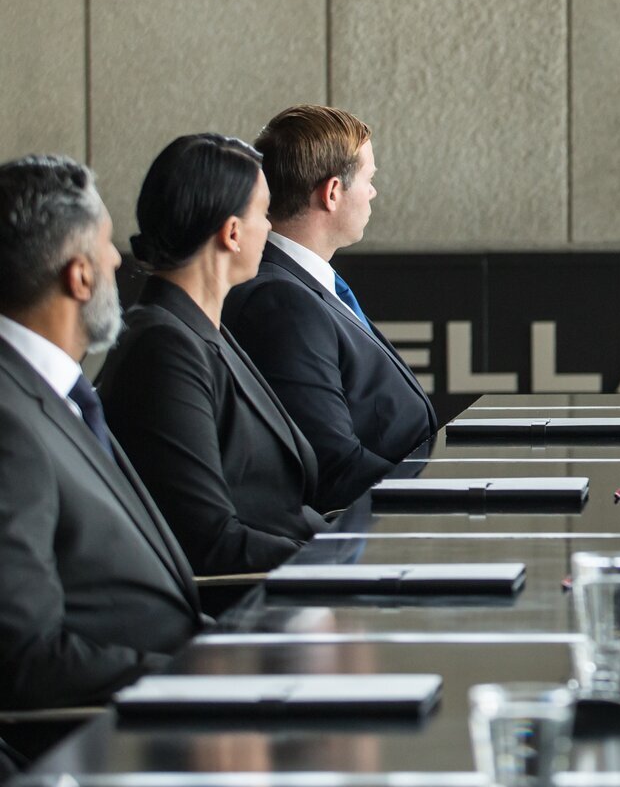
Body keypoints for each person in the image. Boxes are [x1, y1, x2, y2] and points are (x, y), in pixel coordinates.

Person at [0, 155, 202, 709]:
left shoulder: (52, 392)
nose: (118, 257)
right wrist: (200, 676)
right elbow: (27, 658)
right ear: (80, 275)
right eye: (106, 244)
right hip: (116, 730)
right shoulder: (9, 423)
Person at [97, 135, 325, 575]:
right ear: (232, 233)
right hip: (254, 601)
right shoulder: (163, 349)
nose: (271, 228)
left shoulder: (199, 329)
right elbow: (209, 541)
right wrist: (339, 560)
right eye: (264, 213)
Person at [225, 106, 435, 511]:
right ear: (333, 192)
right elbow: (332, 462)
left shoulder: (303, 285)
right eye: (369, 179)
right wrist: (438, 496)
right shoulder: (282, 302)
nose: (373, 192)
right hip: (374, 530)